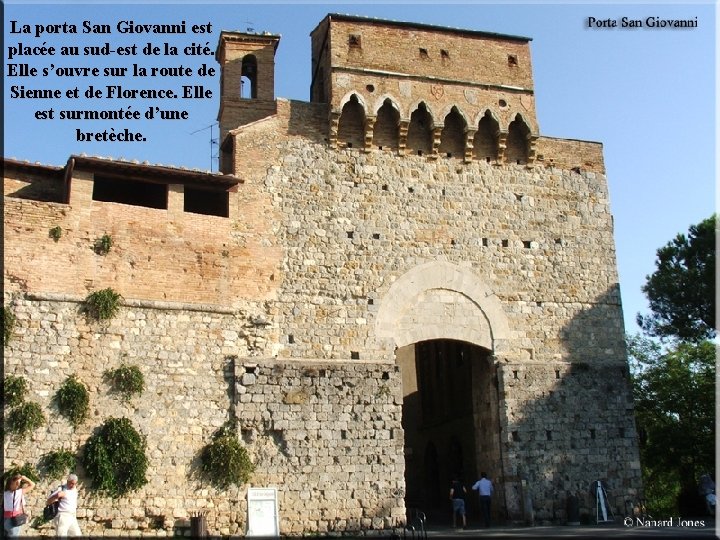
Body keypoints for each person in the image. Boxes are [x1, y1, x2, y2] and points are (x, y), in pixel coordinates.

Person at [3, 473, 35, 537]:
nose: (18, 484)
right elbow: (33, 484)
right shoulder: (19, 492)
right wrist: (24, 477)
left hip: (6, 520)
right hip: (15, 520)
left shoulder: (5, 493)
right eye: (17, 482)